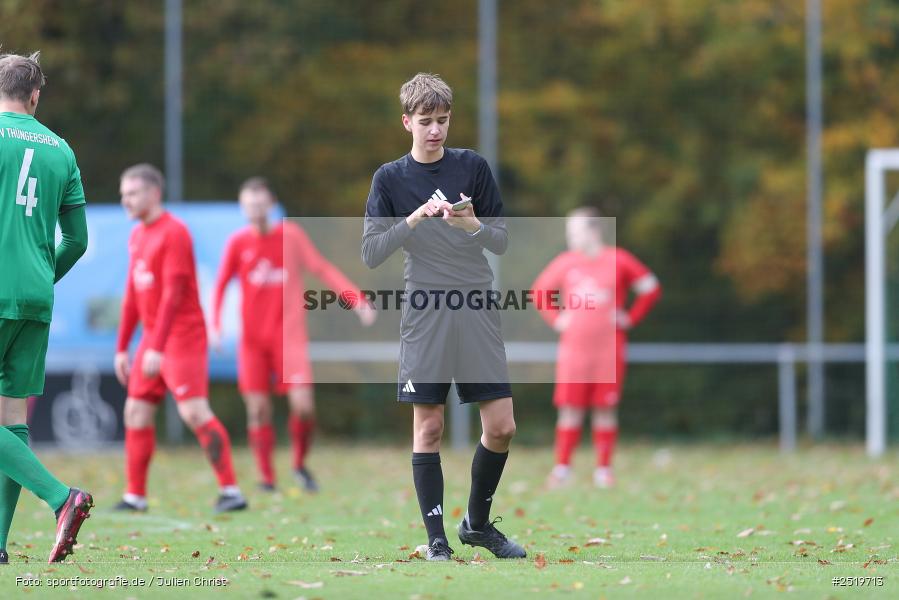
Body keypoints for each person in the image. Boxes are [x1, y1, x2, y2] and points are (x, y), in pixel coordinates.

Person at [362, 73, 525, 561]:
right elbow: (370, 253)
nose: (436, 130)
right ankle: (436, 542)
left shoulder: (471, 167)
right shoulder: (389, 179)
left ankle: (477, 525)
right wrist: (412, 220)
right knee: (428, 428)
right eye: (427, 121)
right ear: (407, 122)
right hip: (425, 311)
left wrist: (471, 224)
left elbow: (501, 239)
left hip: (475, 304)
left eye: (443, 120)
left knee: (502, 426)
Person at [212, 177, 374, 492]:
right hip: (253, 342)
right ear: (242, 208)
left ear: (271, 204)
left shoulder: (292, 236)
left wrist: (356, 300)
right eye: (248, 205)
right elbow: (220, 285)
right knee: (257, 410)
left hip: (289, 338)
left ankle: (299, 464)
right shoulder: (238, 243)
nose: (255, 210)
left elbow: (322, 268)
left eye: (260, 203)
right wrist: (216, 327)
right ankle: (266, 478)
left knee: (304, 406)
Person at [0, 51, 94, 564]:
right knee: (11, 418)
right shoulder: (61, 149)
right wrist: (41, 276)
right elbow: (76, 240)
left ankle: (62, 498)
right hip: (36, 296)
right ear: (35, 96)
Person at [114, 163, 247, 513]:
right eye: (123, 194)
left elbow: (174, 294)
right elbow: (131, 294)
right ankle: (135, 496)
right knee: (136, 412)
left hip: (181, 337)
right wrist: (121, 347)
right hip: (153, 339)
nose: (125, 200)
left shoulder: (175, 232)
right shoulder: (138, 235)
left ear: (154, 194)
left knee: (193, 412)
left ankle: (231, 491)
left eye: (132, 193)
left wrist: (157, 347)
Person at [532, 207, 661, 489]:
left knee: (605, 409)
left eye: (574, 231)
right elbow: (539, 292)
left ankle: (604, 471)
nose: (570, 237)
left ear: (593, 231)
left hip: (608, 350)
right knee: (570, 409)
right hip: (574, 352)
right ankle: (563, 468)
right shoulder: (566, 263)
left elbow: (651, 287)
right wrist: (558, 319)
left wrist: (630, 317)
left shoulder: (618, 259)